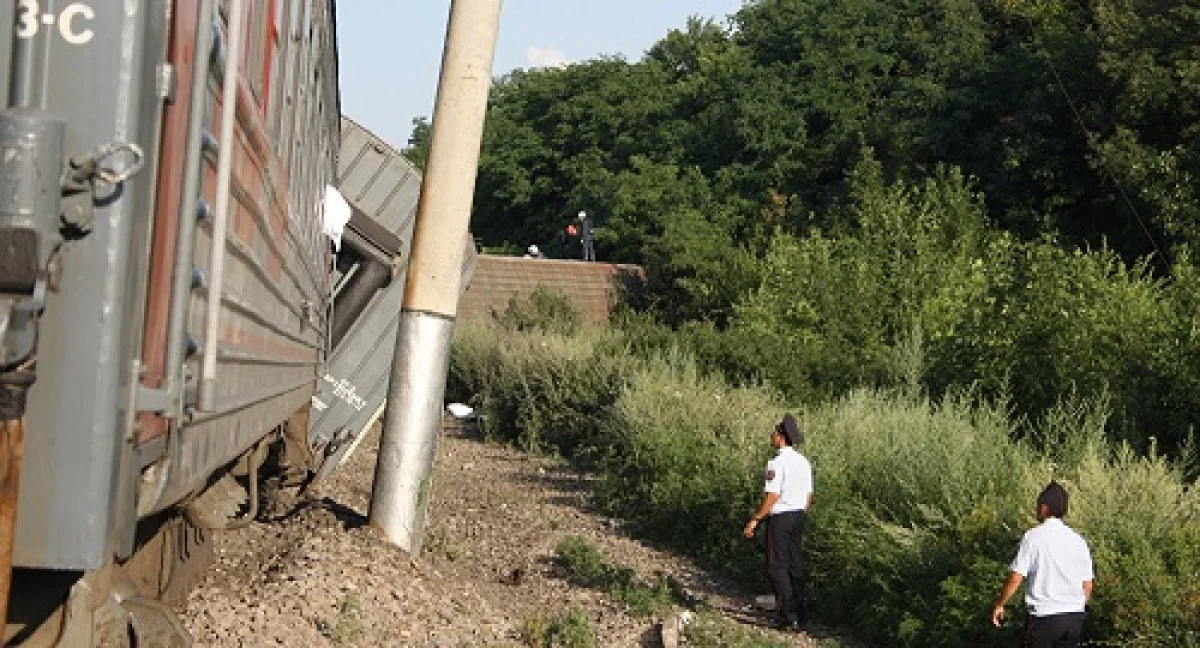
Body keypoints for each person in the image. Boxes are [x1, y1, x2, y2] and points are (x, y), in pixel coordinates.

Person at [992, 481, 1094, 648]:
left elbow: (1016, 577)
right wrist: (1078, 607)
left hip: (1045, 618)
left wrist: (1000, 604)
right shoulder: (1078, 541)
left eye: (1038, 505)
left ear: (1045, 507)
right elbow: (1087, 585)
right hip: (1074, 619)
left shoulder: (1034, 537)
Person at [743, 413, 814, 631]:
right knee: (795, 565)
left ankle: (786, 615)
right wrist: (801, 512)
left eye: (774, 433)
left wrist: (755, 519)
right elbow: (809, 494)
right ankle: (800, 614)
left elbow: (772, 496)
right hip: (799, 515)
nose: (772, 437)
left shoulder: (776, 463)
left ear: (782, 437)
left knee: (777, 566)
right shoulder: (804, 462)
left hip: (781, 517)